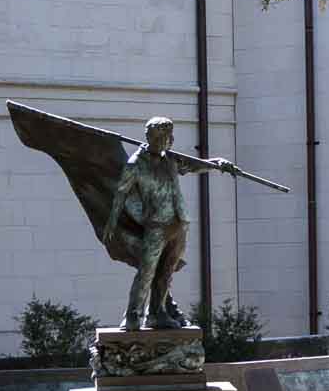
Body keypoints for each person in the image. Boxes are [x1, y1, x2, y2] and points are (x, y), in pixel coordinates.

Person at [99, 117, 232, 330]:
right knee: (147, 271)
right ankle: (133, 314)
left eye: (169, 137)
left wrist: (217, 164)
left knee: (167, 272)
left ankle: (157, 313)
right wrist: (111, 223)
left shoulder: (170, 159)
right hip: (156, 225)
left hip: (178, 223)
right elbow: (121, 195)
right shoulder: (135, 164)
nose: (167, 141)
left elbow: (194, 165)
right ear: (150, 137)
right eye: (162, 137)